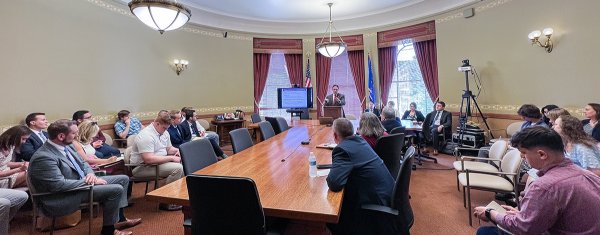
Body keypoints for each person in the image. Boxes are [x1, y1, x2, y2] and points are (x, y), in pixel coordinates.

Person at [473, 126, 600, 235]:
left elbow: (523, 229)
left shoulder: (544, 186)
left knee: (484, 232)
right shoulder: (586, 174)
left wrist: (490, 213)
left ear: (542, 155)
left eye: (523, 153)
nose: (522, 157)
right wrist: (526, 215)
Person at [28, 120, 141, 235]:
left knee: (123, 179)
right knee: (115, 190)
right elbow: (58, 185)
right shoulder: (44, 157)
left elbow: (83, 163)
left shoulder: (67, 145)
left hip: (79, 183)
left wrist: (91, 174)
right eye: (74, 133)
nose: (77, 135)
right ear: (61, 136)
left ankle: (119, 219)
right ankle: (108, 231)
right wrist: (89, 182)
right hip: (62, 195)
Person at [326, 118, 395, 234]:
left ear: (335, 135)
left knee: (331, 216)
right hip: (388, 197)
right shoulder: (361, 141)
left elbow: (335, 184)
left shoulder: (342, 150)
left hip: (375, 210)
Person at [130, 111, 183, 211]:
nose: (165, 130)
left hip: (158, 163)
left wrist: (178, 150)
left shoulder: (164, 132)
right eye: (164, 128)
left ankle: (176, 197)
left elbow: (169, 149)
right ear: (157, 123)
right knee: (177, 168)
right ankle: (165, 201)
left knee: (184, 164)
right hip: (142, 167)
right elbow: (148, 159)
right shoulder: (146, 135)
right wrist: (171, 158)